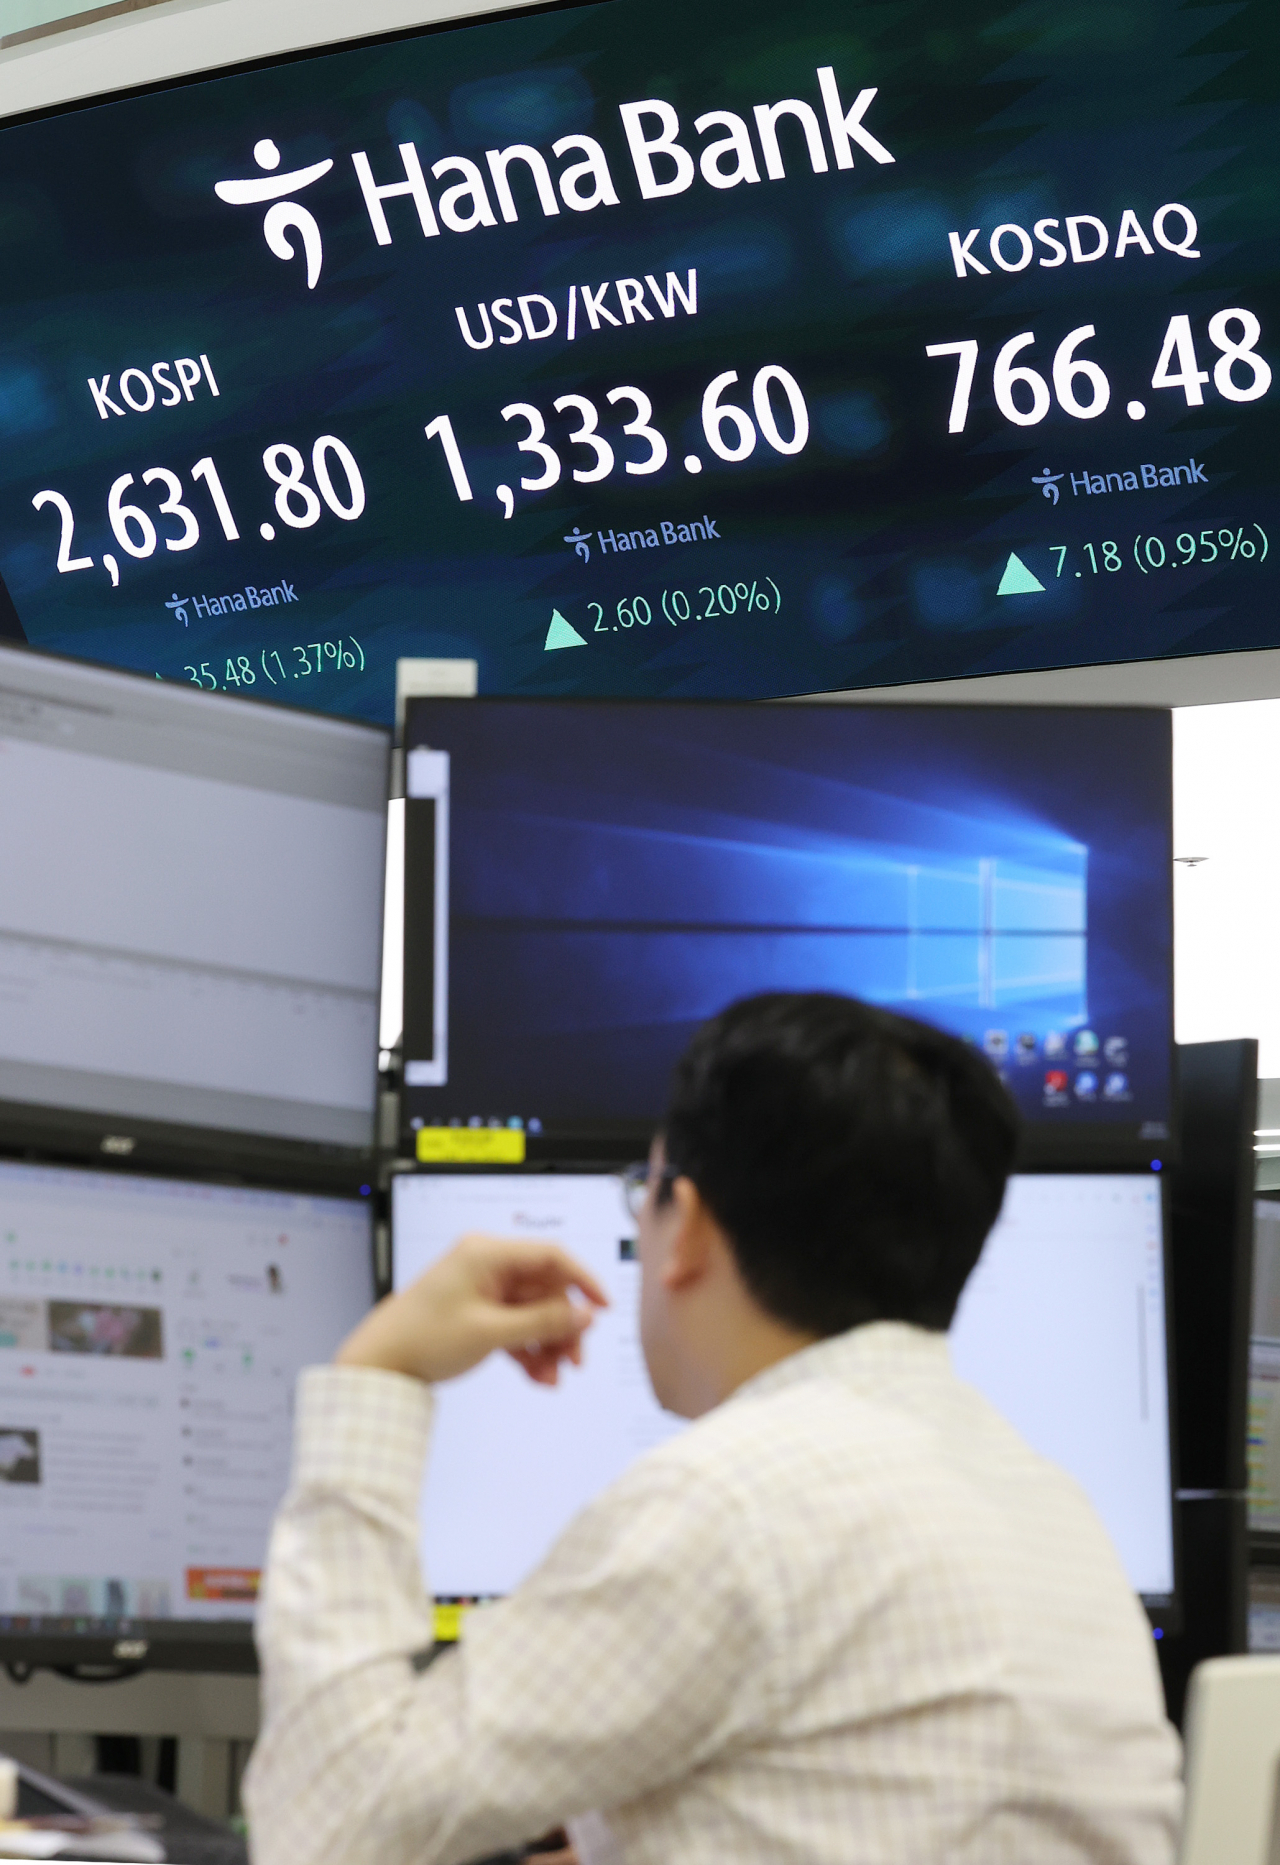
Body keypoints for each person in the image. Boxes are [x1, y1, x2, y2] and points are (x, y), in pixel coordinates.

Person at [244, 993, 1181, 1865]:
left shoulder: (732, 1499)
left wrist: (379, 1373)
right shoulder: (1057, 1511)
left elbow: (331, 1825)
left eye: (639, 1193)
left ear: (684, 1223)